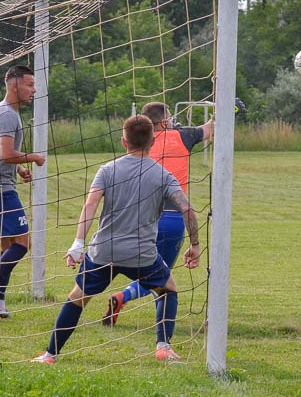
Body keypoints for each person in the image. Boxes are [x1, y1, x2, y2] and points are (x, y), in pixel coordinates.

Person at [32, 115, 201, 364]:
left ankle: (50, 354)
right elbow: (186, 209)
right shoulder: (164, 175)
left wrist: (78, 244)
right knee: (168, 290)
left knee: (77, 298)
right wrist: (195, 245)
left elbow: (90, 205)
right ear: (153, 141)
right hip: (141, 254)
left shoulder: (107, 170)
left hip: (103, 251)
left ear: (124, 142)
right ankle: (163, 347)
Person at [100, 101, 213, 327]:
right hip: (171, 217)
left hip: (140, 216)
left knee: (147, 268)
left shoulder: (142, 145)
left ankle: (134, 304)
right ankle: (125, 299)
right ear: (163, 122)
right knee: (161, 274)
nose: (173, 120)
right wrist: (228, 110)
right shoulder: (182, 136)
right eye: (170, 117)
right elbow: (211, 128)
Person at [0, 65, 46, 318]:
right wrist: (35, 157)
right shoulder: (7, 114)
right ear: (14, 84)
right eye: (29, 84)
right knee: (23, 243)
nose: (34, 89)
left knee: (7, 247)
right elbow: (6, 154)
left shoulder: (5, 112)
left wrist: (19, 171)